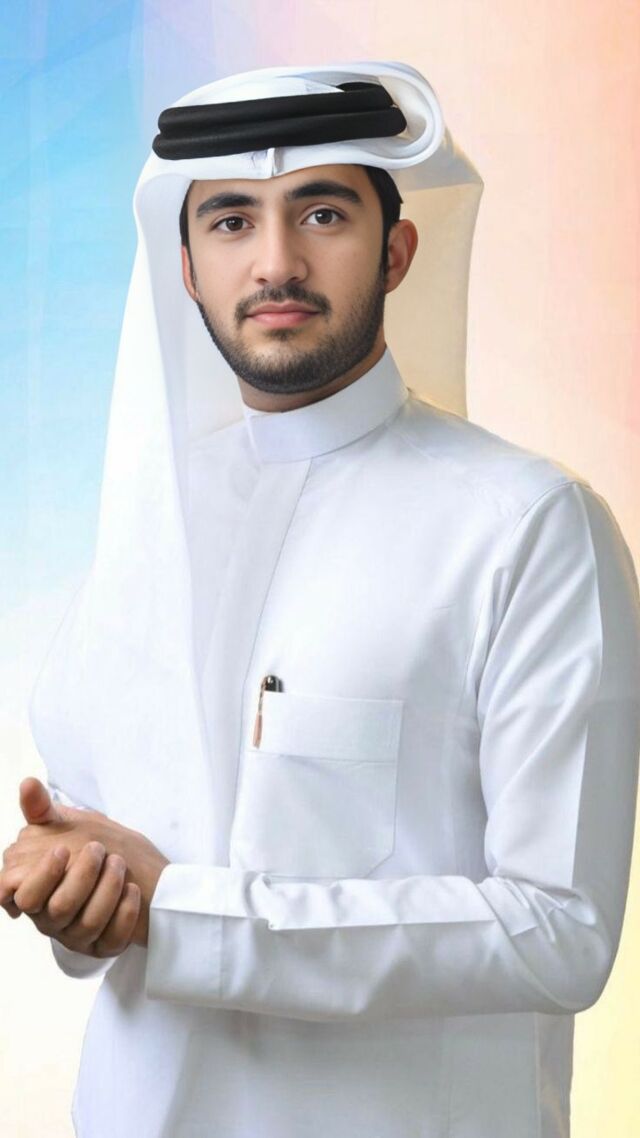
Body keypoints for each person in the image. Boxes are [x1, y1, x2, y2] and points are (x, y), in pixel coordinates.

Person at [2, 60, 640, 1138]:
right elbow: (107, 869)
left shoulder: (527, 525)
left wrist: (184, 914)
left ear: (396, 251)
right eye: (231, 221)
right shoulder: (143, 527)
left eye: (323, 213)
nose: (276, 262)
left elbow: (559, 932)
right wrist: (77, 887)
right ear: (187, 268)